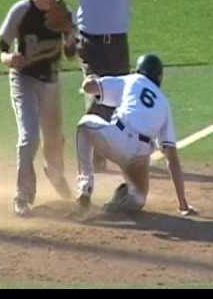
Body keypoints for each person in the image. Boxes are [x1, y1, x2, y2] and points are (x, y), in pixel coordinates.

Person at [3, 0, 170, 172]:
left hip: (118, 45)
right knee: (96, 96)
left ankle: (102, 153)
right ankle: (88, 155)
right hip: (90, 45)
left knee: (116, 100)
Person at [75, 54, 197, 216]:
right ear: (159, 77)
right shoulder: (164, 103)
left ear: (139, 70)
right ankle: (127, 198)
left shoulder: (133, 79)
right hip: (138, 158)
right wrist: (183, 205)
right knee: (138, 199)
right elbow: (172, 159)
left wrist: (90, 78)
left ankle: (85, 187)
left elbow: (88, 88)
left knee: (84, 125)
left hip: (117, 138)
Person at [0, 0, 74, 217]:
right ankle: (23, 196)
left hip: (50, 82)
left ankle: (55, 173)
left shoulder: (63, 13)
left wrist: (71, 38)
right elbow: (0, 46)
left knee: (55, 140)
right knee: (29, 138)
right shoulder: (21, 10)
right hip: (24, 79)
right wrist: (8, 58)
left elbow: (71, 54)